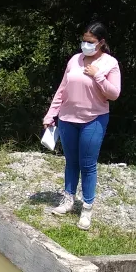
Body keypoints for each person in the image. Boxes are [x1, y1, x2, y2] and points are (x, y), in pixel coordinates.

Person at [43, 22, 121, 230]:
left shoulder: (110, 63)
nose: (85, 45)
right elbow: (62, 89)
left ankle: (87, 208)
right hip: (68, 119)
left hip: (93, 119)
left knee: (88, 164)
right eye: (83, 40)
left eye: (90, 42)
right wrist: (51, 114)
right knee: (71, 161)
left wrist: (97, 75)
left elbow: (114, 94)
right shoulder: (74, 60)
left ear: (101, 43)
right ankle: (68, 200)